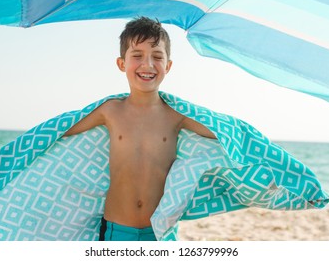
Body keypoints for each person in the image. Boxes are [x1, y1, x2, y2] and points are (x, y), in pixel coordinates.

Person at [64, 17, 216, 241]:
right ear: (121, 63)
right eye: (137, 56)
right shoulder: (110, 111)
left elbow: (223, 136)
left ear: (168, 65)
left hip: (160, 233)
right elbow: (60, 133)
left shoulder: (176, 115)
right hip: (117, 230)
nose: (148, 65)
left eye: (157, 57)